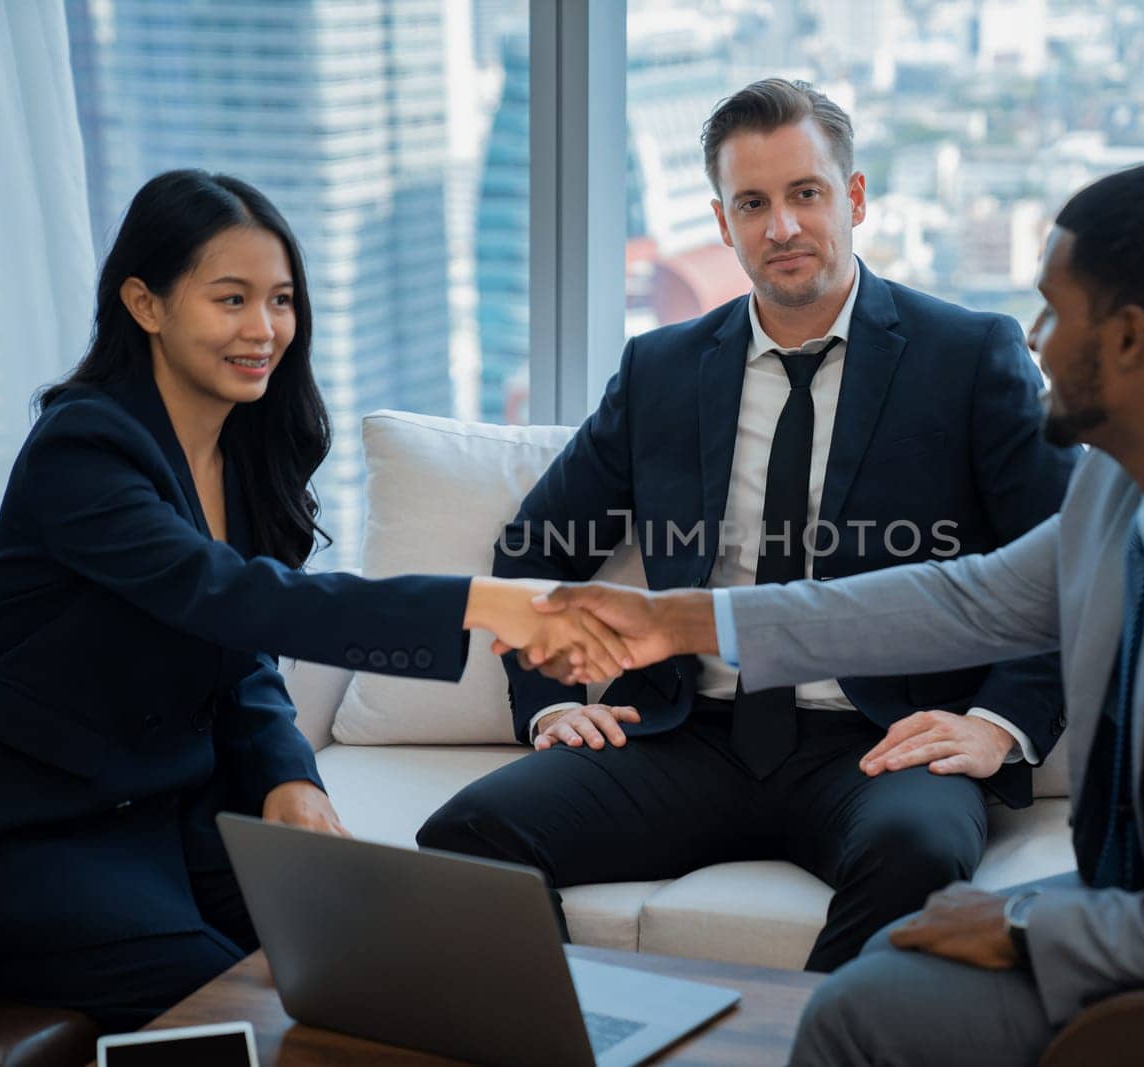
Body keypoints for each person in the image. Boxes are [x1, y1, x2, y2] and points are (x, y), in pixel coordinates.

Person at [523, 161, 1144, 1065]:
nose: (1034, 341)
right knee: (880, 971)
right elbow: (969, 596)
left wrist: (1024, 928)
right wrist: (682, 622)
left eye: (1054, 314)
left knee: (854, 1014)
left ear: (1128, 337)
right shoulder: (1143, 472)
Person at [0, 169, 626, 1031]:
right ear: (145, 303)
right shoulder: (82, 447)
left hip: (167, 814)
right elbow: (226, 599)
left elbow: (242, 661)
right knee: (258, 1012)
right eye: (231, 299)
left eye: (281, 300)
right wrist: (479, 602)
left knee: (396, 961)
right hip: (22, 832)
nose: (264, 330)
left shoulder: (246, 453)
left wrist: (288, 774)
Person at [416, 78, 1077, 971]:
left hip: (880, 741)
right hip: (690, 732)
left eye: (805, 194)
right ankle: (591, 1037)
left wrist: (999, 722)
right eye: (753, 204)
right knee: (467, 832)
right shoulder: (663, 369)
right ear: (723, 224)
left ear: (854, 197)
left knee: (919, 854)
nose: (783, 228)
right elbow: (537, 548)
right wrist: (549, 708)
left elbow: (1072, 563)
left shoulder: (969, 357)